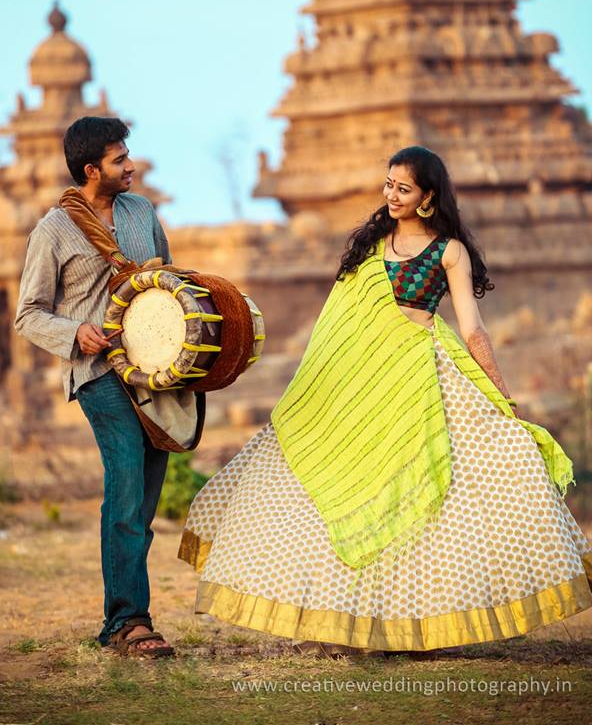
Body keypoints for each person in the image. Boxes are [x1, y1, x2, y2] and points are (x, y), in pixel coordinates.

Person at [178, 145, 592, 655]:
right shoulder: (370, 248)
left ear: (427, 197)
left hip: (425, 376)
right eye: (388, 184)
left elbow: (474, 329)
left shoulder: (449, 252)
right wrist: (321, 388)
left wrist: (501, 394)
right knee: (345, 492)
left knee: (443, 494)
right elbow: (337, 326)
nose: (391, 195)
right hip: (361, 383)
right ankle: (345, 622)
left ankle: (412, 622)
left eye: (403, 188)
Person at [14, 116, 177, 658]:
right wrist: (73, 333)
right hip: (97, 373)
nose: (130, 166)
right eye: (118, 160)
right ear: (91, 170)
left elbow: (169, 282)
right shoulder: (52, 231)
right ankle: (130, 621)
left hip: (154, 372)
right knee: (127, 474)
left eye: (127, 156)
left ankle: (120, 618)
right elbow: (28, 314)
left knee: (146, 489)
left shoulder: (143, 213)